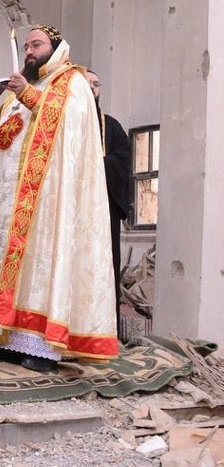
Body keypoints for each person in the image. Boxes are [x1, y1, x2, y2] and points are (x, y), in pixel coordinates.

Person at [0, 26, 118, 373]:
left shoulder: (70, 81)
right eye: (26, 45)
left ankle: (42, 348)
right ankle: (5, 341)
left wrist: (28, 94)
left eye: (36, 44)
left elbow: (66, 125)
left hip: (47, 202)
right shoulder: (16, 92)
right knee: (10, 269)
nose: (29, 50)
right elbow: (7, 138)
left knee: (41, 269)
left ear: (56, 47)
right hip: (8, 202)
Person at [86, 70, 131, 337]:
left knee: (105, 269)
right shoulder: (66, 122)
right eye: (87, 83)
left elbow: (123, 159)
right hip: (73, 210)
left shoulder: (111, 126)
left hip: (104, 207)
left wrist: (92, 164)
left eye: (96, 84)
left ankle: (104, 333)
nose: (93, 88)